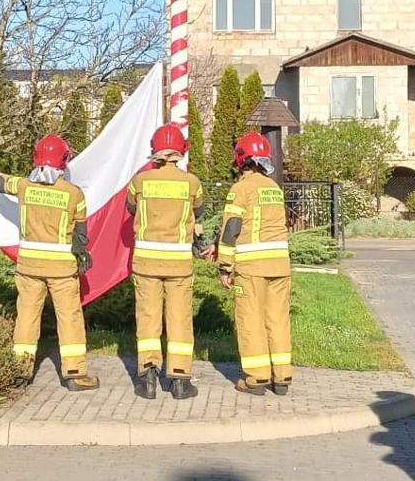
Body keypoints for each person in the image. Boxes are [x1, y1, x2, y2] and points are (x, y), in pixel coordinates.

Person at [0, 136, 98, 391]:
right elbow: (81, 235)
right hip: (62, 271)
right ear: (63, 161)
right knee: (69, 318)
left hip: (29, 267)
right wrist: (81, 254)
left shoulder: (24, 187)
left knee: (27, 318)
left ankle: (20, 373)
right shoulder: (74, 194)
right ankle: (75, 375)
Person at [124, 124, 206, 400]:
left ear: (154, 152)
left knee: (147, 319)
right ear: (180, 152)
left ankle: (147, 377)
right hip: (179, 265)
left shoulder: (140, 182)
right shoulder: (192, 183)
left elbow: (131, 208)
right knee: (180, 319)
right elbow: (200, 209)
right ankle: (180, 380)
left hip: (146, 262)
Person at [216, 132, 292, 396]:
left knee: (251, 320)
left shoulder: (241, 188)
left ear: (241, 158)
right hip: (280, 267)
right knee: (278, 320)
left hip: (252, 268)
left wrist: (224, 266)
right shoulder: (274, 188)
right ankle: (281, 377)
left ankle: (256, 379)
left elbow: (230, 230)